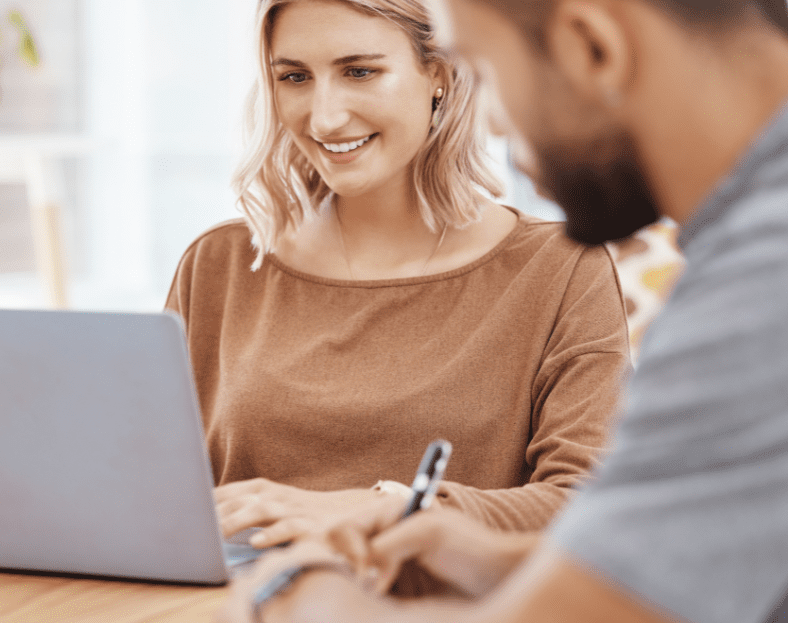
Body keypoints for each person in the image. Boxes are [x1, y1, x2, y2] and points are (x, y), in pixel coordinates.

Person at [218, 0, 788, 621]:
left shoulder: (762, 280)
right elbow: (685, 554)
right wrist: (496, 559)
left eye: (483, 69)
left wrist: (303, 600)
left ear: (590, 47)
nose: (485, 120)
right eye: (294, 75)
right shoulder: (751, 250)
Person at [165, 0, 630, 552]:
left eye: (359, 72)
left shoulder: (561, 268)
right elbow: (149, 488)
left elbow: (586, 501)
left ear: (440, 71)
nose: (324, 117)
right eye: (294, 77)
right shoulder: (219, 265)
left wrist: (388, 507)